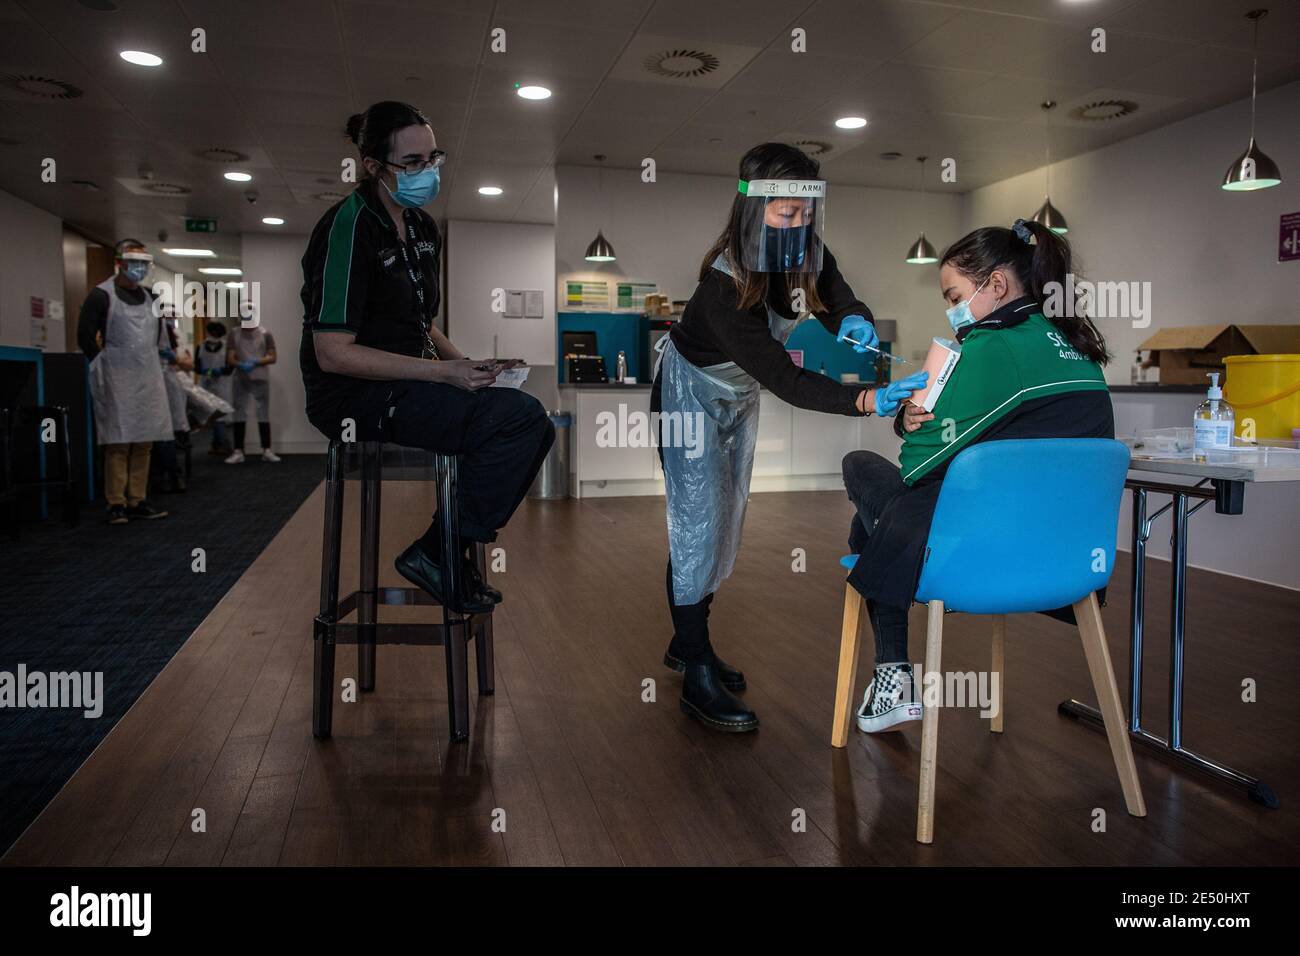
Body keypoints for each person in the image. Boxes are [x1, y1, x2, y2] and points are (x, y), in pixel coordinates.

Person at [652, 142, 928, 733]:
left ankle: (687, 640)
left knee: (725, 519)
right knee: (696, 523)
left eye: (807, 213)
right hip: (689, 395)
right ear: (752, 209)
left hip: (736, 396)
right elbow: (784, 378)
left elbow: (837, 295)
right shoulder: (722, 288)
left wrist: (854, 317)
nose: (799, 225)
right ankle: (696, 674)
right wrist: (865, 399)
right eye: (785, 213)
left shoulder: (807, 251)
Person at [842, 218, 1112, 733]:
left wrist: (908, 420)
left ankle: (894, 672)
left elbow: (917, 466)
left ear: (996, 285)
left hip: (977, 556)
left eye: (954, 295)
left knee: (863, 475)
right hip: (1063, 563)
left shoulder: (990, 347)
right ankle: (892, 675)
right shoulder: (1079, 350)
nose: (951, 311)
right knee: (880, 523)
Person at [300, 100, 554, 612]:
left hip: (411, 383)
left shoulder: (420, 228)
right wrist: (445, 374)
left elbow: (422, 324)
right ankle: (438, 552)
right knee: (519, 421)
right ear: (373, 167)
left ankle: (440, 550)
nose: (427, 172)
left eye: (433, 158)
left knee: (530, 418)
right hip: (352, 396)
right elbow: (332, 353)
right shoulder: (348, 229)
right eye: (411, 163)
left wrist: (468, 365)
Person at [77, 238, 171, 524]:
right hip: (116, 374)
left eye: (144, 264)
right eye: (134, 263)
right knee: (118, 440)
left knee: (144, 440)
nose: (139, 269)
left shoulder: (152, 298)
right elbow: (84, 336)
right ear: (119, 263)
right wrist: (102, 364)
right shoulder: (101, 295)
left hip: (147, 373)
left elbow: (156, 337)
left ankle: (137, 499)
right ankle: (115, 501)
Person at [225, 312, 280, 463]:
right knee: (239, 412)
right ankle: (238, 451)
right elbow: (230, 357)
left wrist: (256, 361)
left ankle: (267, 450)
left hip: (260, 377)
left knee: (263, 412)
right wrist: (240, 364)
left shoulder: (265, 333)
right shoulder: (234, 334)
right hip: (240, 377)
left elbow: (273, 356)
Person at [196, 320, 233, 455]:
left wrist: (219, 371)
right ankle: (217, 443)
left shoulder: (226, 347)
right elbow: (197, 367)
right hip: (206, 383)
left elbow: (230, 367)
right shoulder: (200, 347)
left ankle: (223, 444)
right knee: (211, 415)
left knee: (220, 415)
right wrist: (207, 372)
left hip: (222, 383)